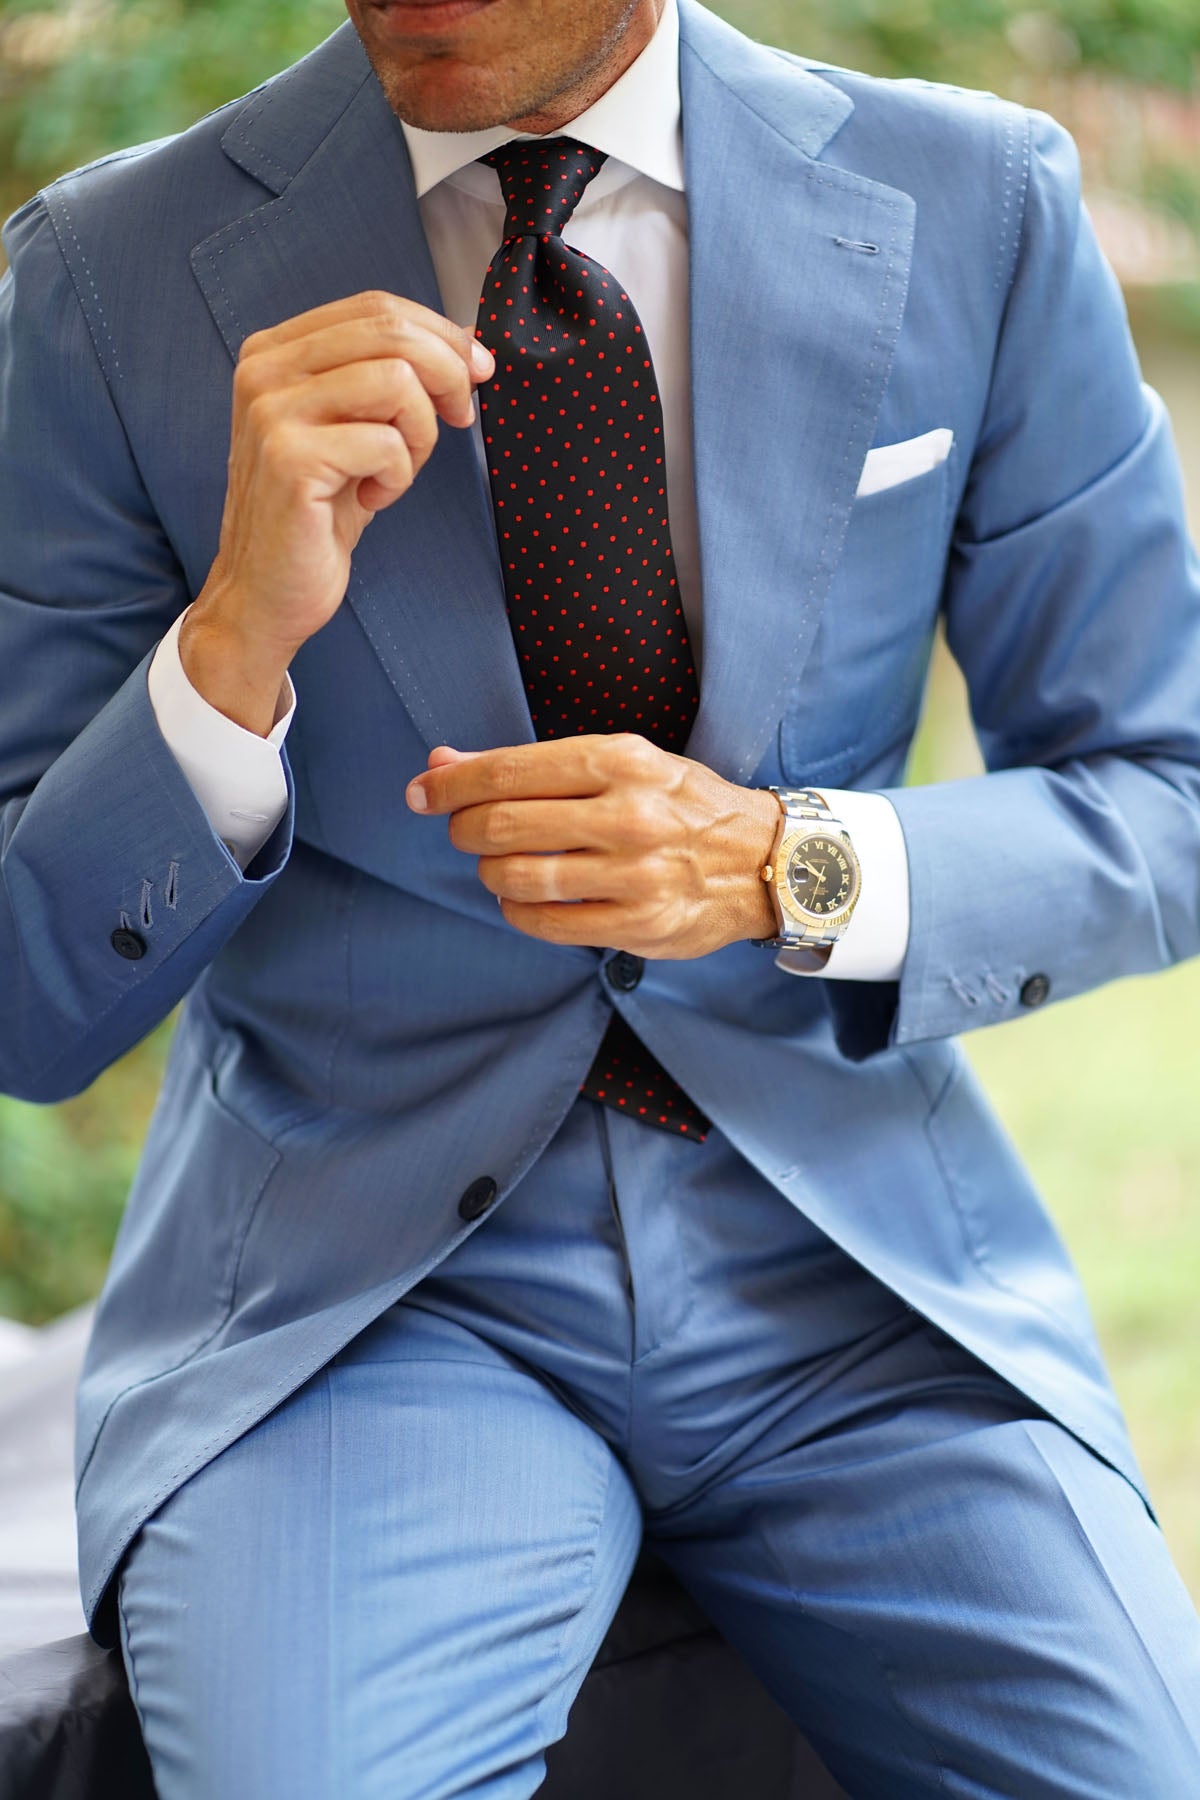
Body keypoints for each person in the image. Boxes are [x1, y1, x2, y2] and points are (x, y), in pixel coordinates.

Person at [2, 0, 1199, 1791]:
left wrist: (788, 864)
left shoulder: (976, 201)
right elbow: (29, 1002)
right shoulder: (111, 275)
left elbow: (1163, 793)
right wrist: (230, 643)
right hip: (365, 1303)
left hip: (852, 1279)